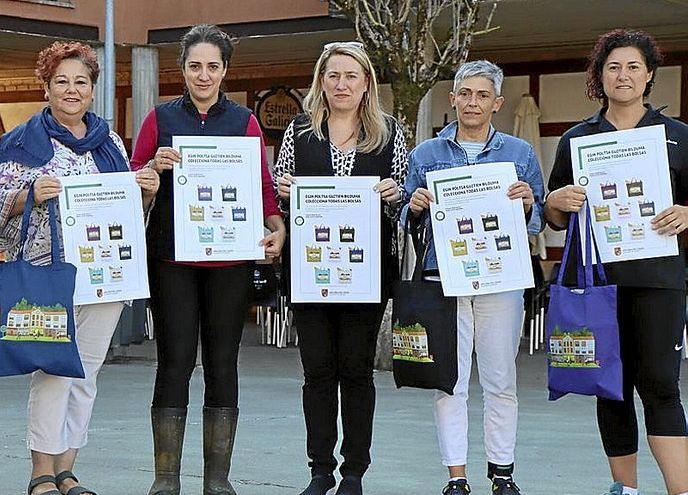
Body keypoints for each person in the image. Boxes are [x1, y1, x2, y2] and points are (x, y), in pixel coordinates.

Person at [0, 41, 159, 495]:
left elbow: (127, 213)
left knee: (86, 372)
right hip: (47, 273)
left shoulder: (111, 143)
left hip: (105, 275)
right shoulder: (21, 140)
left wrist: (145, 191)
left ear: (92, 88)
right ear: (46, 86)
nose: (71, 89)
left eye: (81, 81)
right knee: (53, 368)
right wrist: (29, 193)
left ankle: (67, 469)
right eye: (61, 81)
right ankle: (41, 469)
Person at [131, 23, 286, 495]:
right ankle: (165, 478)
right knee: (174, 361)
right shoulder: (158, 120)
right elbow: (132, 185)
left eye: (212, 66)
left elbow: (261, 186)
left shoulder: (244, 121)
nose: (203, 75)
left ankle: (217, 480)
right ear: (182, 69)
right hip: (172, 259)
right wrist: (151, 171)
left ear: (225, 70)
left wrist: (276, 226)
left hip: (230, 263)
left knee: (224, 362)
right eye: (195, 66)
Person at [544, 29, 688, 495]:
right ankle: (624, 489)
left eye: (632, 67)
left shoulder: (679, 137)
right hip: (597, 284)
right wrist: (556, 199)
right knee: (610, 387)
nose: (622, 75)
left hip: (660, 281)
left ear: (649, 76)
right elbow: (554, 218)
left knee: (661, 386)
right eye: (613, 67)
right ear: (599, 76)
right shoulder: (577, 139)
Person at [404, 60, 544, 495]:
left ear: (497, 103)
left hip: (501, 278)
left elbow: (537, 221)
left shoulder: (519, 153)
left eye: (483, 95)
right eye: (465, 93)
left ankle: (502, 474)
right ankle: (457, 478)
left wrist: (525, 206)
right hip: (444, 280)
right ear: (453, 99)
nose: (473, 102)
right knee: (451, 378)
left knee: (501, 378)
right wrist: (415, 206)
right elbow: (407, 219)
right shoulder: (425, 154)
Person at [274, 41, 407, 495]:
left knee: (356, 371)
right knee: (317, 373)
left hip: (366, 274)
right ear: (321, 81)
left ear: (366, 82)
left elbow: (405, 201)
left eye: (351, 75)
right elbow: (278, 192)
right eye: (333, 75)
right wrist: (284, 192)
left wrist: (396, 195)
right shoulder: (298, 131)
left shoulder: (390, 132)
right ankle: (319, 470)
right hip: (310, 271)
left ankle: (354, 472)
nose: (341, 84)